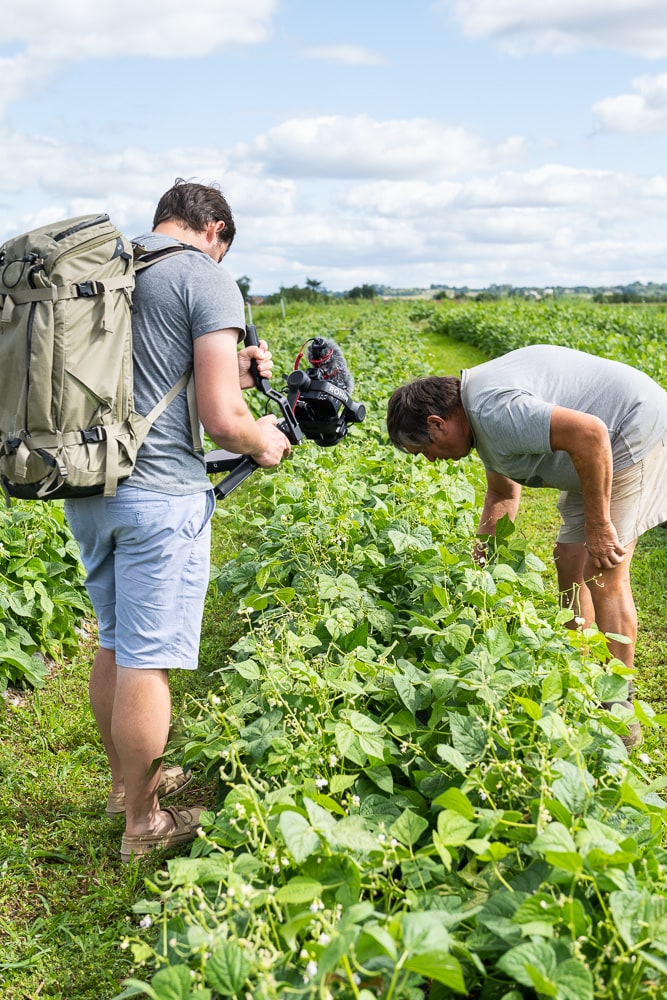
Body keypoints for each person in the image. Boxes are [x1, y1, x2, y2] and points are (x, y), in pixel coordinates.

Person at [64, 179, 290, 862]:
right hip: (158, 496)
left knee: (114, 640)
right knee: (147, 658)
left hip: (88, 485)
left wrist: (234, 378)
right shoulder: (203, 278)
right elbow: (223, 421)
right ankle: (144, 821)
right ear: (215, 230)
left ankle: (123, 785)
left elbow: (146, 376)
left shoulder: (115, 268)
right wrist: (264, 440)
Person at [386, 344, 667, 747]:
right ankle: (581, 673)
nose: (432, 460)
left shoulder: (493, 412)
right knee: (568, 559)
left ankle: (618, 710)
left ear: (437, 423)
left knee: (602, 571)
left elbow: (591, 434)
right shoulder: (478, 419)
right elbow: (502, 495)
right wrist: (481, 563)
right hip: (592, 449)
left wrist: (600, 525)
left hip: (630, 431)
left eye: (425, 450)